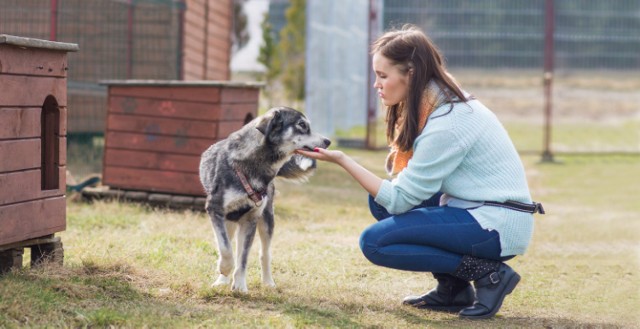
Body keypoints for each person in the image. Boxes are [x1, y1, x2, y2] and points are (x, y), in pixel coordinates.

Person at [296, 24, 543, 320]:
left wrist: (342, 160)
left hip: (496, 224)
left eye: (383, 76)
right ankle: (454, 289)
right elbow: (399, 195)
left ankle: (489, 274)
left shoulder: (449, 121)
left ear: (410, 74)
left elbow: (400, 200)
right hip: (476, 208)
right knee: (379, 201)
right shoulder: (439, 103)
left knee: (374, 242)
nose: (377, 84)